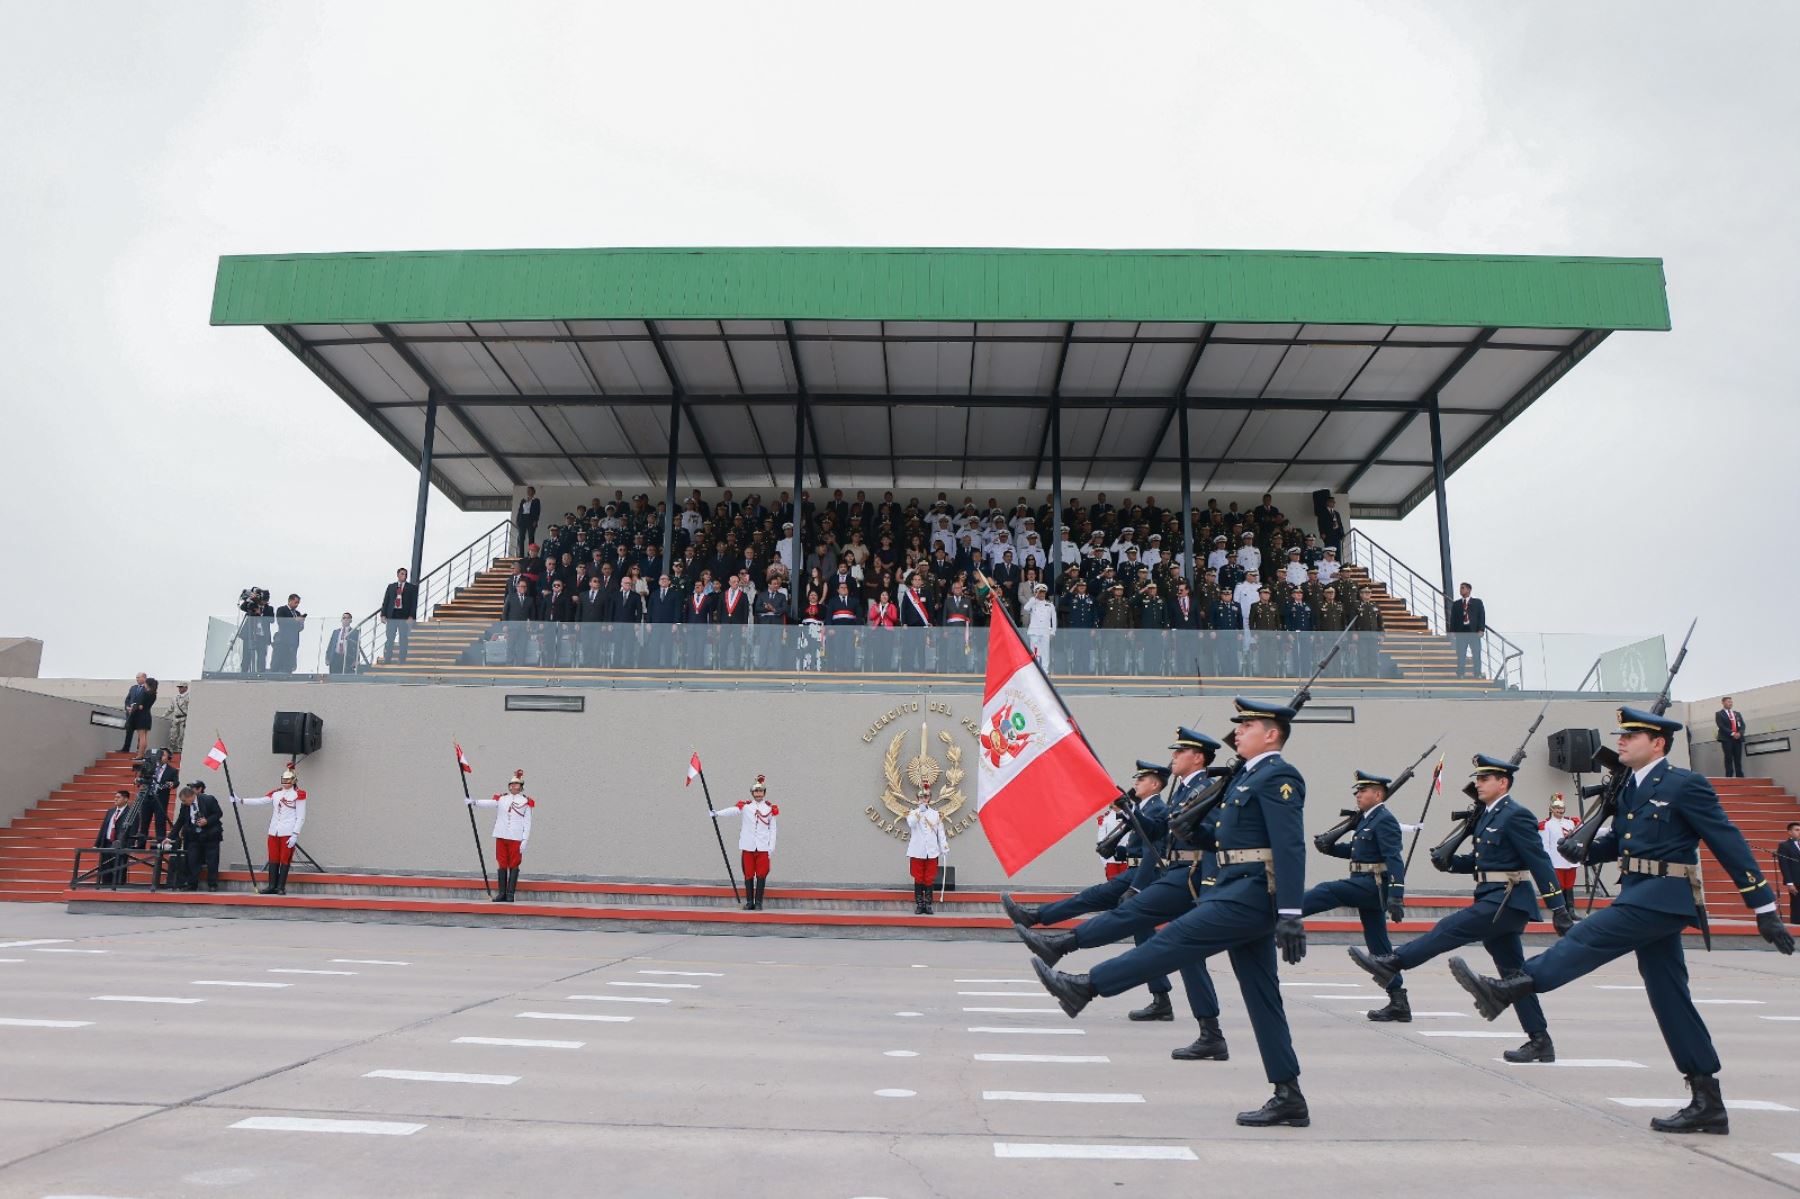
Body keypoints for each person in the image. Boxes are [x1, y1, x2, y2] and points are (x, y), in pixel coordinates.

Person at [1449, 708, 1794, 1136]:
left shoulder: (1686, 785)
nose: (1623, 741)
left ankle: (1513, 985)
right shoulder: (1630, 788)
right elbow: (1624, 841)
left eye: (1633, 735)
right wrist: (1585, 849)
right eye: (1623, 735)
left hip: (1666, 897)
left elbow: (1727, 840)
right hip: (1639, 892)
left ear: (1658, 743)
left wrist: (1763, 906)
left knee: (1590, 934)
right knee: (1669, 996)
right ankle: (1707, 1099)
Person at [1028, 700, 1313, 1128]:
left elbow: (1289, 845)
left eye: (1248, 725)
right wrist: (1194, 830)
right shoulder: (1244, 776)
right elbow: (1224, 835)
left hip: (1251, 895)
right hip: (1235, 886)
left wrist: (1291, 911)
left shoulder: (1279, 776)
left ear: (1272, 734)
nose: (1238, 731)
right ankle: (1289, 1095)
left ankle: (1087, 986)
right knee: (1262, 996)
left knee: (1172, 940)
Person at [1012, 730, 1230, 1063]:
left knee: (1130, 914)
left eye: (1182, 751)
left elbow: (1211, 837)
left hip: (1190, 877)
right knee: (1186, 954)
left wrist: (1210, 887)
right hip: (1178, 874)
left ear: (1198, 758)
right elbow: (1160, 831)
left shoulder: (1205, 788)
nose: (1174, 755)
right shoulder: (1182, 789)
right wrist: (1131, 810)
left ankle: (1060, 947)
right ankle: (1210, 1033)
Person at [1349, 754, 1572, 1063]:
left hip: (1508, 901)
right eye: (1477, 778)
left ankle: (1395, 962)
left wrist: (1557, 906)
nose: (1477, 783)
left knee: (1449, 928)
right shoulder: (1488, 816)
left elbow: (1538, 860)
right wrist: (1450, 863)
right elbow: (1484, 862)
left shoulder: (1516, 815)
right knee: (1513, 973)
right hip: (1491, 898)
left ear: (1503, 783)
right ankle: (1540, 1039)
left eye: (1484, 779)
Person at [1305, 770, 1411, 1021]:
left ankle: (1282, 912)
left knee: (1327, 890)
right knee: (1379, 945)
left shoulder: (1384, 819)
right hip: (1363, 883)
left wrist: (1397, 895)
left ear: (1378, 794)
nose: (1358, 794)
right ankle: (1399, 1002)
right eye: (1357, 791)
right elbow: (1356, 851)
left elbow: (1394, 858)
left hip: (1373, 886)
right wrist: (1329, 845)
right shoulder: (1366, 820)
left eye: (1363, 791)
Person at [233, 762, 306, 896]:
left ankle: (281, 887)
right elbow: (261, 801)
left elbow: (300, 817)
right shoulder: (276, 794)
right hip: (274, 831)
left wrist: (295, 834)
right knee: (273, 858)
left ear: (294, 781)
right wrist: (241, 800)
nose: (285, 782)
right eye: (283, 780)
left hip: (287, 832)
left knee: (285, 859)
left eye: (288, 780)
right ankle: (272, 885)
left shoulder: (298, 795)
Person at [712, 774, 778, 910]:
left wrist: (771, 848)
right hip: (748, 846)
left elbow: (773, 830)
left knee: (761, 875)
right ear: (752, 793)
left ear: (764, 793)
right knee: (748, 874)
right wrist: (717, 813)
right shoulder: (746, 806)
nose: (758, 793)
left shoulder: (770, 809)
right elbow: (733, 811)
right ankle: (749, 902)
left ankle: (758, 902)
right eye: (756, 791)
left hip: (763, 848)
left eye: (760, 791)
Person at [469, 769, 534, 903]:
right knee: (502, 862)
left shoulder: (526, 802)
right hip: (501, 835)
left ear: (521, 787)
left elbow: (527, 822)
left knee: (514, 864)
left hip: (516, 837)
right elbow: (490, 803)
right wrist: (474, 802)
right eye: (511, 784)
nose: (513, 786)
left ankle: (510, 894)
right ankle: (502, 893)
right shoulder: (502, 799)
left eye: (516, 785)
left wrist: (525, 840)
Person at [905, 782, 949, 914]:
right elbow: (911, 824)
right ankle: (919, 904)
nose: (924, 799)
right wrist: (919, 813)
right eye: (921, 797)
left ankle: (928, 904)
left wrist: (944, 846)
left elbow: (940, 832)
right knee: (918, 877)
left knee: (930, 877)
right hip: (917, 851)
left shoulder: (935, 814)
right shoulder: (913, 813)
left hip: (931, 851)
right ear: (917, 798)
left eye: (926, 797)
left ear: (929, 798)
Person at [182, 782, 225, 891]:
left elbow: (218, 813)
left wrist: (207, 821)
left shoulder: (208, 799)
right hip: (194, 835)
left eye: (184, 800)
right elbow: (180, 821)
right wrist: (169, 837)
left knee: (212, 861)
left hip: (211, 834)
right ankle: (192, 884)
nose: (183, 803)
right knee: (192, 859)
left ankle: (212, 884)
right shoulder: (185, 806)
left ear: (191, 796)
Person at [1539, 795, 1580, 899]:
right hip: (1556, 861)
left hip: (1570, 860)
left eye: (1561, 808)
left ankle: (1570, 910)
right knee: (1559, 886)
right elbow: (1545, 845)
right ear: (1551, 809)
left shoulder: (1571, 822)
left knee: (1570, 885)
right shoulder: (1547, 824)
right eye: (1557, 808)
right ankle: (1562, 912)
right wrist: (1548, 862)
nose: (1560, 810)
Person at [94, 790, 133, 886]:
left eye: (118, 797)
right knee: (105, 867)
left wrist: (128, 845)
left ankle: (118, 887)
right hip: (107, 843)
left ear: (126, 799)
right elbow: (103, 828)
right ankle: (105, 886)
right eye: (115, 797)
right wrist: (97, 844)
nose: (115, 799)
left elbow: (133, 830)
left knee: (119, 868)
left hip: (120, 845)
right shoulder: (110, 811)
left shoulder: (130, 813)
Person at [380, 567, 419, 664]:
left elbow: (414, 603)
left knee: (403, 638)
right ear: (398, 575)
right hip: (392, 615)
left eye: (405, 574)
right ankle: (387, 658)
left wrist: (411, 616)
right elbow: (386, 601)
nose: (404, 576)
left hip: (404, 616)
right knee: (390, 638)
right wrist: (383, 614)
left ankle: (402, 659)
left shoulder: (411, 588)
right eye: (402, 574)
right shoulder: (391, 587)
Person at [1449, 582, 1486, 678]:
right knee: (1461, 654)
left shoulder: (1477, 602)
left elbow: (1481, 616)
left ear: (1469, 590)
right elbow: (1453, 618)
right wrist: (1452, 630)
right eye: (1460, 588)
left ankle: (1477, 674)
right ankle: (1460, 673)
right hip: (1461, 632)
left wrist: (1481, 629)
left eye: (1463, 588)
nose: (1461, 590)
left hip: (1474, 632)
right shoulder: (1456, 604)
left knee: (1476, 654)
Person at [272, 594, 307, 674]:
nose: (297, 604)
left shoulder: (297, 613)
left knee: (289, 663)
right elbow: (281, 622)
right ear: (290, 601)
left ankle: (287, 674)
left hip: (293, 641)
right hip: (283, 640)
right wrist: (295, 620)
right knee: (278, 660)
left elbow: (300, 628)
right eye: (295, 602)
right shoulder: (282, 610)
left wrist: (301, 622)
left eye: (298, 603)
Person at [1715, 696, 1746, 778]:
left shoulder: (1737, 713)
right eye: (1728, 701)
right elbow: (1721, 726)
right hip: (1726, 739)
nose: (1730, 703)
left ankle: (1739, 775)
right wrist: (1732, 734)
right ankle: (1729, 776)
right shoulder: (1719, 714)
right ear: (1723, 703)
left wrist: (1739, 733)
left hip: (1738, 739)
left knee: (1738, 758)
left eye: (1731, 702)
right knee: (1728, 758)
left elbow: (1742, 725)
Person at [120, 673, 151, 754]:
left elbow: (147, 703)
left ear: (144, 678)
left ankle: (139, 750)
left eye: (138, 677)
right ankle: (125, 748)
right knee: (129, 731)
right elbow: (128, 700)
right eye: (136, 677)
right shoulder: (133, 688)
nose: (137, 679)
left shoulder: (148, 689)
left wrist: (136, 708)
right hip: (131, 715)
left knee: (141, 734)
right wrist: (127, 707)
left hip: (141, 715)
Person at [1778, 822, 1800, 924]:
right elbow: (1784, 866)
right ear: (1790, 832)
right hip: (1796, 881)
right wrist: (1789, 883)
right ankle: (1796, 926)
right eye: (1797, 830)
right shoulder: (1784, 846)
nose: (1799, 832)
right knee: (1797, 905)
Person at [166, 683, 189, 756]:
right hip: (176, 718)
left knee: (182, 736)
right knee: (173, 735)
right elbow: (171, 708)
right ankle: (171, 751)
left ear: (186, 688)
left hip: (184, 718)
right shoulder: (175, 697)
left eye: (181, 687)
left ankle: (181, 751)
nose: (180, 689)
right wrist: (164, 715)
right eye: (179, 687)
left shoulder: (189, 697)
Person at [516, 485, 541, 554]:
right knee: (521, 537)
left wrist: (536, 521)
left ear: (533, 492)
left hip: (531, 519)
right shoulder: (523, 500)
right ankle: (521, 554)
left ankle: (530, 553)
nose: (528, 492)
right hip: (522, 519)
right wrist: (518, 520)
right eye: (527, 491)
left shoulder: (536, 500)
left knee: (531, 537)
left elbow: (537, 511)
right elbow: (520, 511)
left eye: (530, 490)